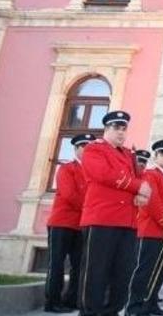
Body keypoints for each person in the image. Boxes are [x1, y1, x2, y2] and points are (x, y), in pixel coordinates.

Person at [79, 111, 149, 316]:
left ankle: (112, 311)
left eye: (123, 128)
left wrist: (142, 194)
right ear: (106, 129)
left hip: (127, 221)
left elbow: (142, 179)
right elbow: (104, 174)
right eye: (116, 128)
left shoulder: (128, 154)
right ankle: (89, 312)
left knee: (122, 272)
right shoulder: (94, 149)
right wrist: (137, 187)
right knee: (96, 271)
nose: (121, 132)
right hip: (102, 218)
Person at [125, 139, 163, 316]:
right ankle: (134, 307)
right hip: (150, 229)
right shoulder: (150, 174)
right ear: (155, 156)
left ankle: (151, 304)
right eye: (162, 153)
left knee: (159, 271)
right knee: (144, 270)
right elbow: (152, 202)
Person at [45, 133, 93, 313]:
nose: (86, 150)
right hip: (61, 223)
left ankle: (71, 299)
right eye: (83, 146)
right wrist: (91, 207)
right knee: (56, 264)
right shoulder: (67, 168)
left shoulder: (91, 171)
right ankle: (52, 302)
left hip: (80, 225)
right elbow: (69, 195)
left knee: (78, 265)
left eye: (89, 147)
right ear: (76, 149)